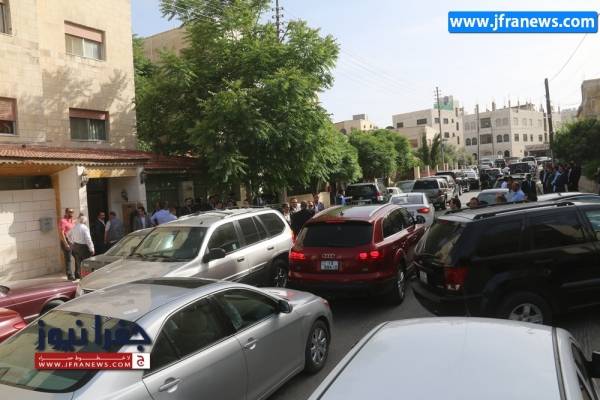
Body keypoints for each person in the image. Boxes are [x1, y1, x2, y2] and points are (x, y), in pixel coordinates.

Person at [68, 215, 94, 280]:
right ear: (84, 221)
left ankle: (81, 277)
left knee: (78, 263)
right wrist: (92, 248)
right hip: (83, 247)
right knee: (86, 263)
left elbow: (68, 235)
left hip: (75, 246)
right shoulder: (84, 228)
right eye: (86, 221)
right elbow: (88, 239)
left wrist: (72, 241)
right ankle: (87, 277)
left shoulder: (74, 227)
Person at [59, 208, 76, 280]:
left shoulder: (72, 221)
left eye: (72, 212)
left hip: (73, 242)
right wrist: (66, 244)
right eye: (70, 212)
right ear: (66, 213)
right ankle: (70, 275)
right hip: (66, 242)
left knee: (77, 257)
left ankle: (77, 273)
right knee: (68, 259)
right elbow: (61, 233)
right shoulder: (63, 221)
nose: (71, 213)